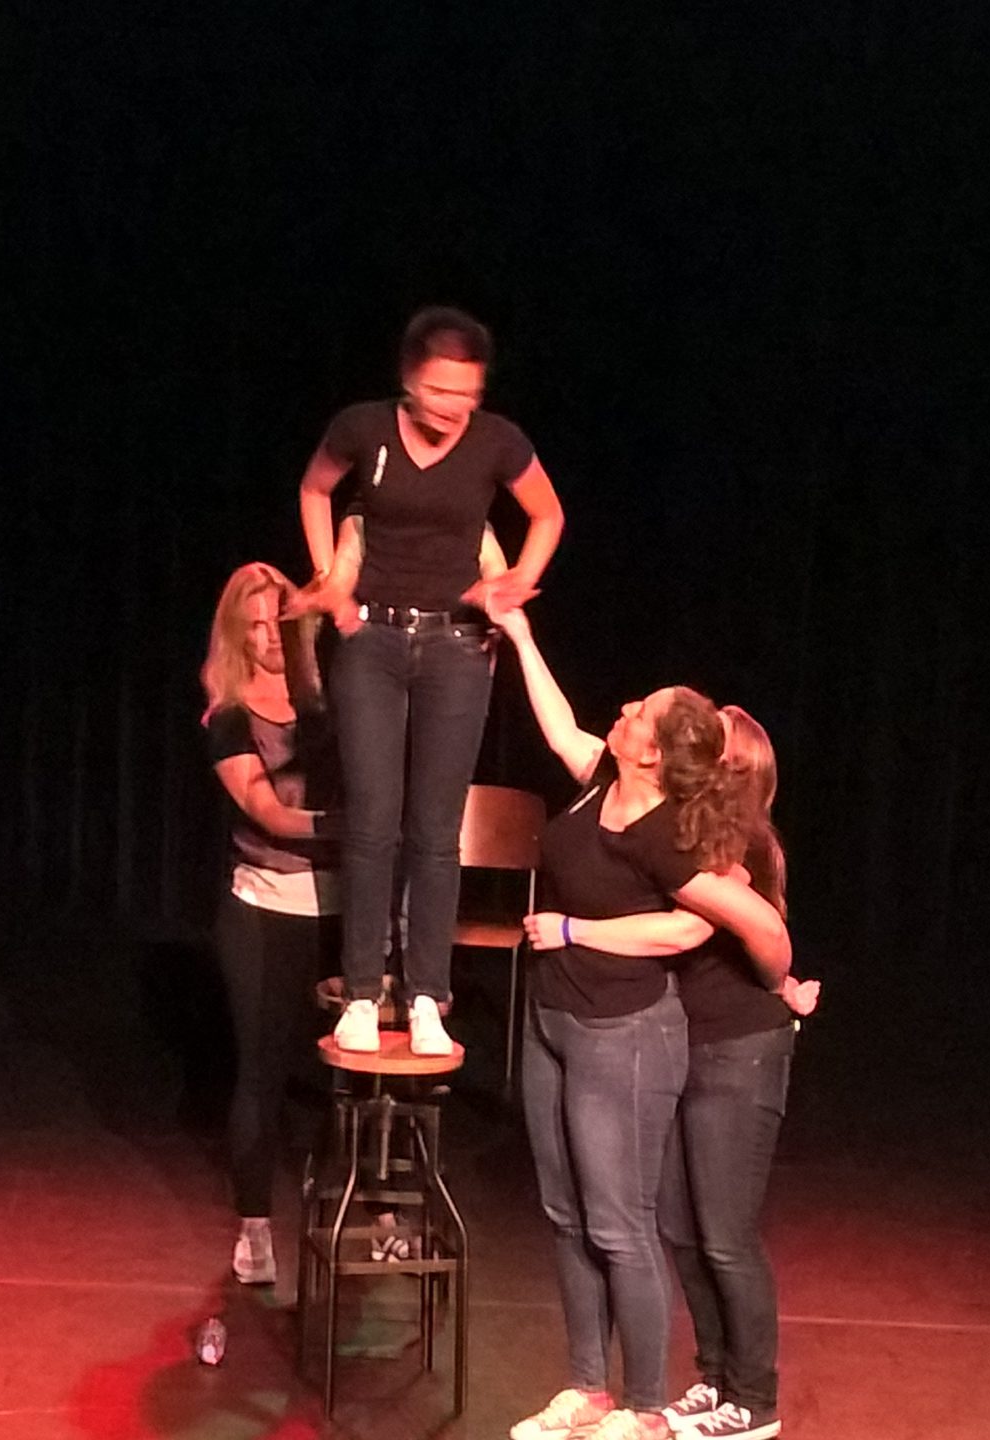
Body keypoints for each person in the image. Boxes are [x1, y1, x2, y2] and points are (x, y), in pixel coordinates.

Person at [488, 603, 792, 1440]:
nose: (621, 711)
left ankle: (647, 1404)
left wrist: (783, 981)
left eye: (637, 713)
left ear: (651, 752)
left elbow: (707, 928)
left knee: (623, 1224)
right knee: (565, 1213)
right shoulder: (600, 782)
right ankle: (586, 1387)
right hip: (554, 1018)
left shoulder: (666, 835)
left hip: (621, 1032)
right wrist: (520, 635)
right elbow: (559, 728)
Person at [290, 307, 565, 1057]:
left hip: (456, 647)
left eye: (467, 394)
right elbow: (315, 491)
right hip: (372, 641)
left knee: (436, 833)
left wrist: (515, 582)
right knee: (373, 822)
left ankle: (425, 998)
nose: (452, 407)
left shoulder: (498, 441)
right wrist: (329, 581)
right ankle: (360, 993)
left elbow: (547, 515)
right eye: (440, 391)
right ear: (409, 379)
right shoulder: (363, 427)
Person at [201, 563, 340, 1288]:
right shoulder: (229, 717)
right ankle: (254, 1226)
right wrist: (353, 826)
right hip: (261, 907)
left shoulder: (328, 704)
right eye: (252, 628)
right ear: (236, 636)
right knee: (261, 1070)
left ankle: (363, 1214)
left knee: (346, 1073)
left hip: (338, 911)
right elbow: (270, 813)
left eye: (276, 623)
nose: (268, 639)